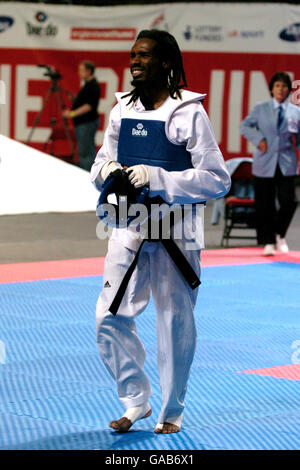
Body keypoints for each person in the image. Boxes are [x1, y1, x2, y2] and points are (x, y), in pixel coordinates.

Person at [91, 29, 231, 434]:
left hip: (176, 234)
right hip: (130, 227)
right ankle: (135, 400)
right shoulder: (121, 109)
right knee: (107, 316)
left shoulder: (188, 112)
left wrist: (157, 177)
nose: (135, 61)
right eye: (133, 55)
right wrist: (110, 172)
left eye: (145, 56)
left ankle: (172, 410)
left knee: (173, 322)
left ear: (167, 62)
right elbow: (100, 163)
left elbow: (217, 180)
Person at [240, 72, 300, 256]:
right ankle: (267, 241)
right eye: (277, 86)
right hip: (264, 160)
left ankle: (279, 233)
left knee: (289, 200)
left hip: (286, 161)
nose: (280, 90)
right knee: (264, 203)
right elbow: (245, 126)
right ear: (272, 89)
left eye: (284, 86)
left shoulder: (295, 111)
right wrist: (258, 139)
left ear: (289, 90)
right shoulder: (261, 108)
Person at [63, 61, 100, 171]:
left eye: (81, 70)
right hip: (85, 123)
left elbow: (88, 106)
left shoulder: (92, 86)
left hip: (86, 123)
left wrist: (71, 113)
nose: (79, 73)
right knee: (87, 150)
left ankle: (88, 174)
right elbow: (86, 102)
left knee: (85, 152)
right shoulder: (88, 85)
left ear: (88, 71)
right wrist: (76, 100)